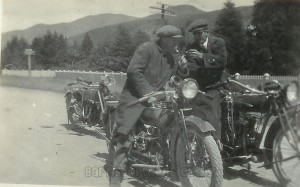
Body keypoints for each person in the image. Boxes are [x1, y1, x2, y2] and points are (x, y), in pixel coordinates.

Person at [108, 25, 188, 187]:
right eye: (174, 40)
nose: (176, 44)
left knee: (172, 119)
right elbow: (133, 71)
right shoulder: (146, 49)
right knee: (127, 130)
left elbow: (176, 79)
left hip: (155, 98)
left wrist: (183, 69)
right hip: (133, 97)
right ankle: (117, 170)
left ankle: (173, 159)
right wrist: (147, 92)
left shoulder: (171, 58)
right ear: (165, 39)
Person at [185, 19, 227, 142]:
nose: (197, 37)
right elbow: (191, 67)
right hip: (202, 86)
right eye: (194, 34)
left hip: (219, 84)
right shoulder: (191, 47)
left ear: (206, 32)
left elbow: (222, 61)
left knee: (215, 107)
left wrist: (202, 57)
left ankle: (217, 141)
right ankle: (211, 142)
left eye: (199, 33)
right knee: (204, 107)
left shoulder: (218, 43)